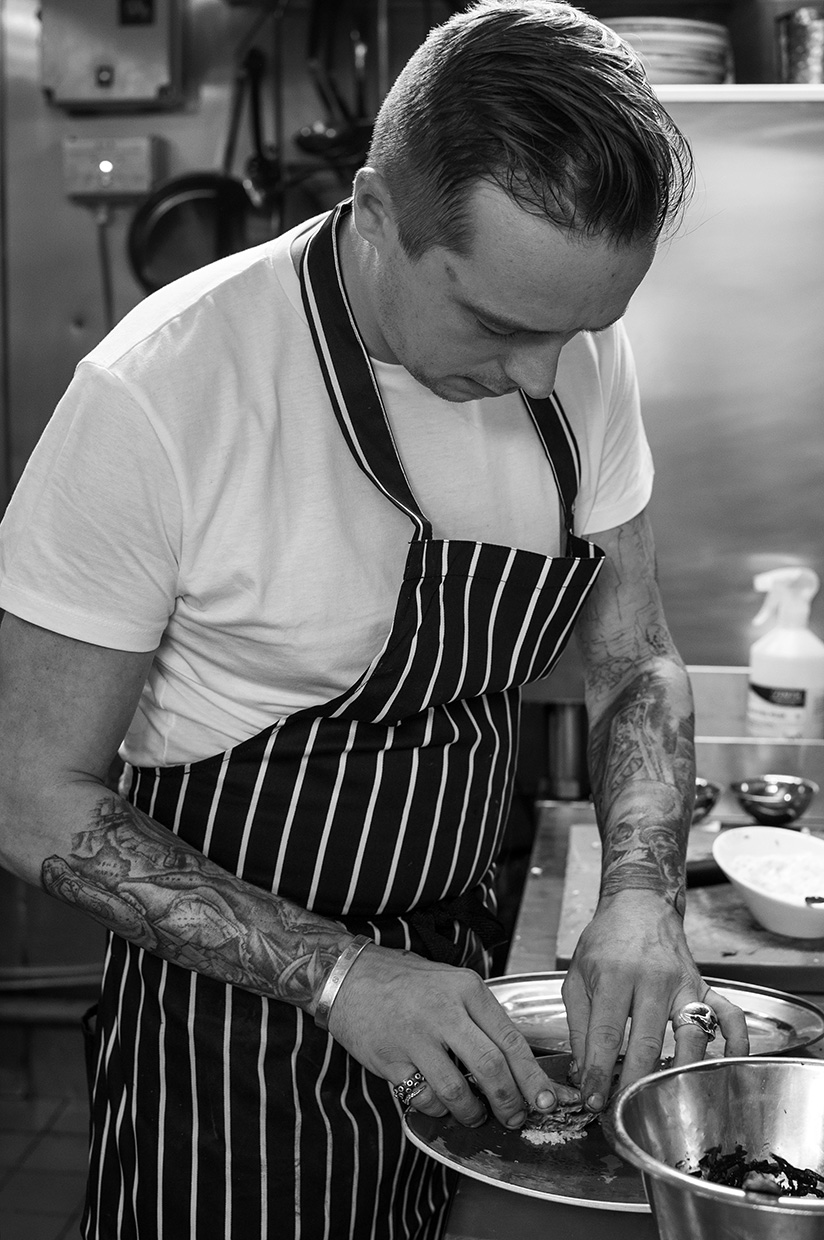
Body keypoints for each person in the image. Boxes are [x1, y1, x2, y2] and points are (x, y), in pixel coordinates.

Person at [0, 2, 749, 1237]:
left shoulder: (570, 357)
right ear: (374, 210)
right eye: (496, 327)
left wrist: (637, 891)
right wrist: (340, 972)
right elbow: (29, 794)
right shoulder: (164, 392)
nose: (532, 378)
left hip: (471, 997)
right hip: (229, 1047)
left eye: (573, 333)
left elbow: (629, 658)